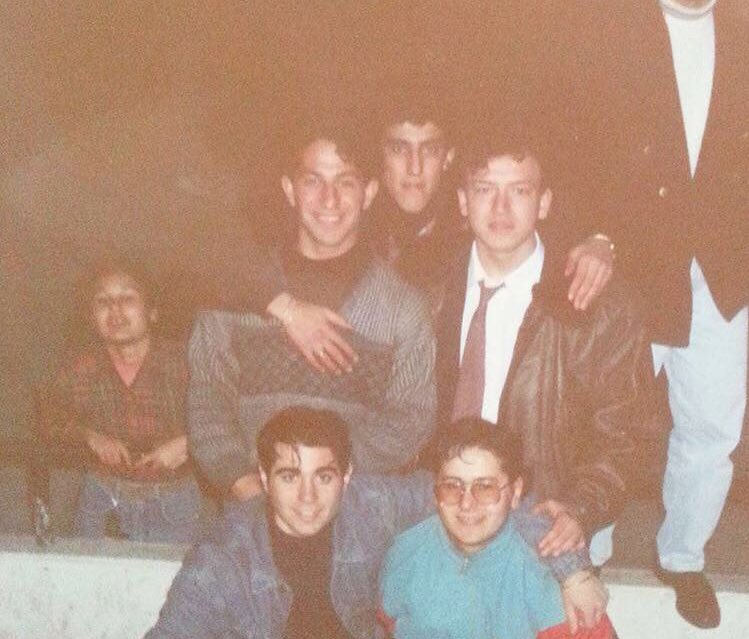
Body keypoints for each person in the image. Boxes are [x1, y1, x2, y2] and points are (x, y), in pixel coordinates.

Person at [138, 406, 606, 639]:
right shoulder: (223, 557)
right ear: (263, 478)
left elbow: (473, 499)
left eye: (323, 476)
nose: (307, 497)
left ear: (346, 477)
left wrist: (571, 567)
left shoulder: (371, 505)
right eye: (288, 476)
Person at [198, 86, 616, 375]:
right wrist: (289, 310)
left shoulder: (481, 219)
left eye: (429, 150)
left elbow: (562, 222)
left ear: (448, 157)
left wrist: (600, 242)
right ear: (378, 158)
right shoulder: (342, 211)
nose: (414, 169)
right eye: (399, 149)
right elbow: (216, 254)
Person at [556, 0, 748, 628]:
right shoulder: (607, 30)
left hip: (723, 271)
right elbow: (574, 151)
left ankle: (683, 556)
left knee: (713, 426)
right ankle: (590, 550)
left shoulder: (744, 35)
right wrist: (597, 234)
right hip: (633, 269)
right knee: (609, 420)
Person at [432, 120, 665, 569]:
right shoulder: (430, 290)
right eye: (484, 189)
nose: (500, 207)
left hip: (544, 523)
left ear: (544, 202)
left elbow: (629, 431)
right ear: (462, 201)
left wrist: (580, 508)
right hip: (443, 517)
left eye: (519, 191)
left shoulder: (600, 307)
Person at [187, 116, 436, 500]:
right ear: (289, 190)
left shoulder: (403, 308)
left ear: (369, 193)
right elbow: (207, 399)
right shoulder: (237, 296)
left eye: (345, 182)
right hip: (248, 506)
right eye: (313, 181)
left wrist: (324, 482)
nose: (329, 199)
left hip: (354, 513)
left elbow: (410, 418)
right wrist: (242, 480)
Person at [380, 418, 636, 639]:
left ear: (515, 493)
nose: (466, 503)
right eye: (452, 486)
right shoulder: (406, 554)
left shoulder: (550, 577)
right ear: (436, 492)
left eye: (485, 487)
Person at [43, 258, 201, 543]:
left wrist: (189, 443)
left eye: (127, 298)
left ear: (152, 312)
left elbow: (230, 417)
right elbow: (48, 420)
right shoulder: (81, 367)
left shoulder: (187, 361)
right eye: (103, 302)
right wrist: (90, 437)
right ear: (91, 317)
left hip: (175, 501)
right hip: (102, 500)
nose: (115, 310)